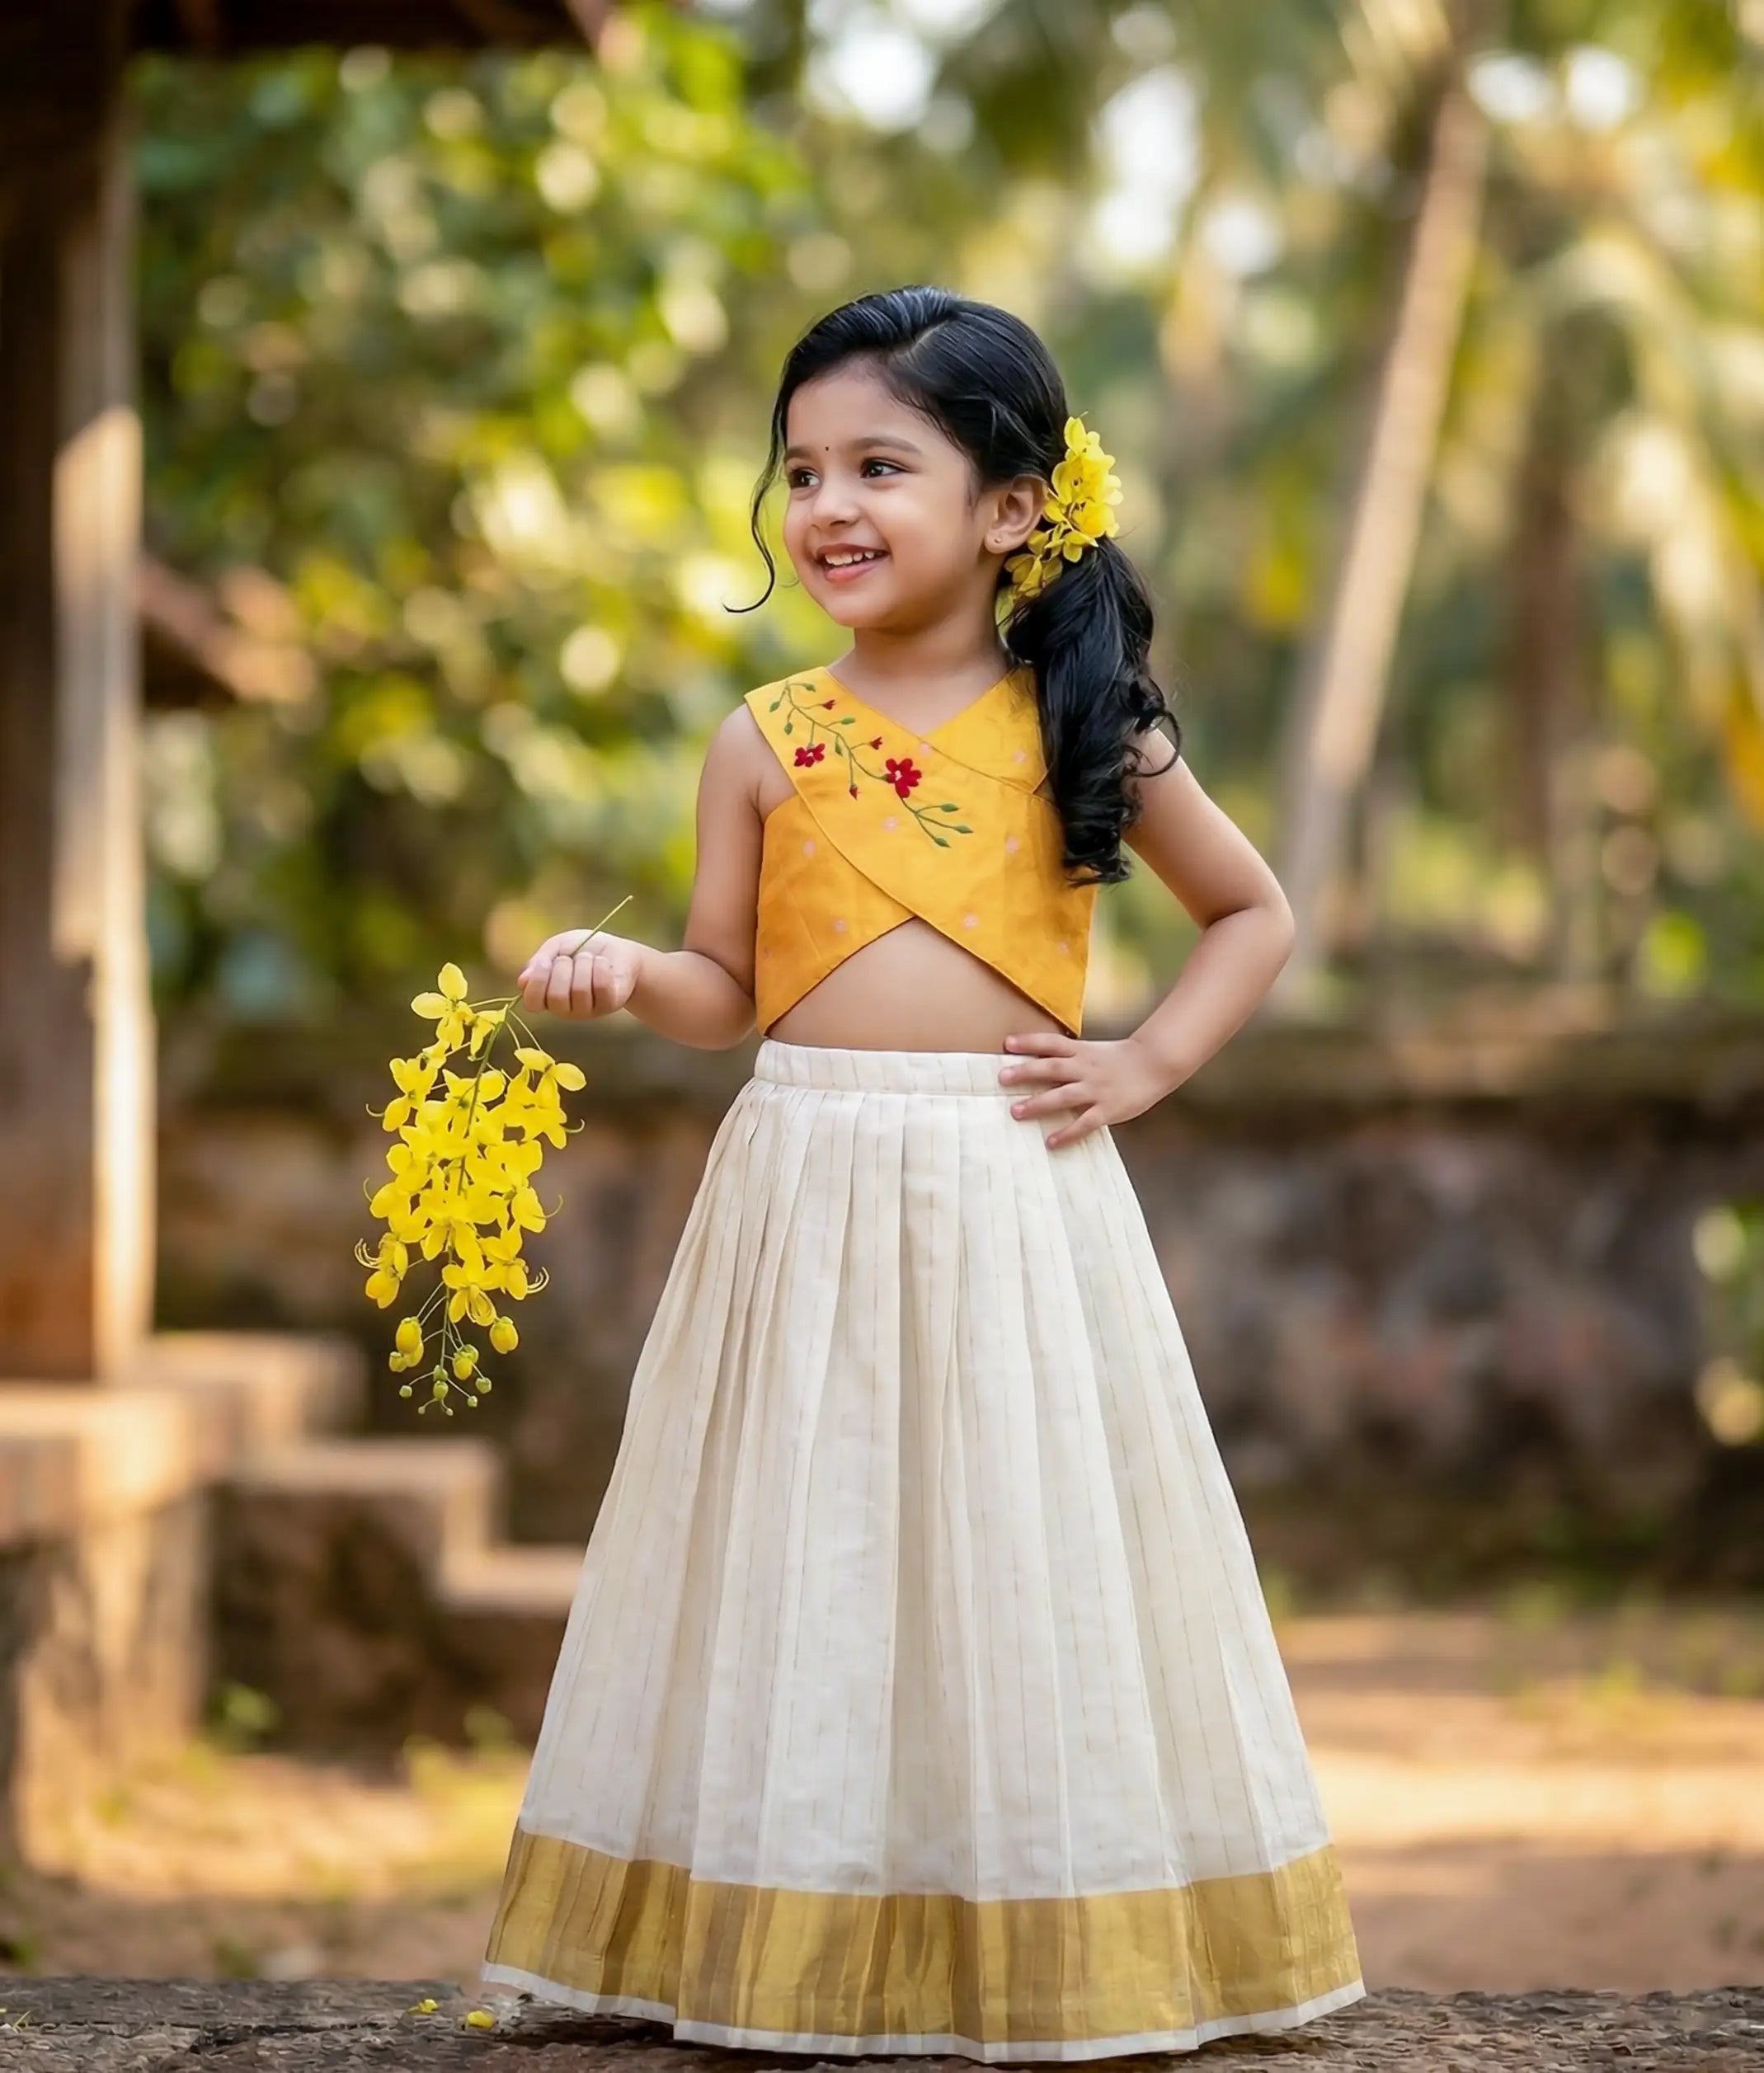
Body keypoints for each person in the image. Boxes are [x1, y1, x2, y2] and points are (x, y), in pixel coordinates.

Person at [476, 284, 1366, 2060]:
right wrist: (624, 971)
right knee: (805, 1554)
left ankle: (1027, 1943)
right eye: (800, 470)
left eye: (879, 463)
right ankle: (787, 1934)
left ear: (1015, 503)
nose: (827, 507)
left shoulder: (1081, 718)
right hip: (799, 1192)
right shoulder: (763, 738)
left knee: (1011, 1548)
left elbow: (1252, 914)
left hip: (1009, 1193)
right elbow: (725, 991)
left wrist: (1142, 1065)